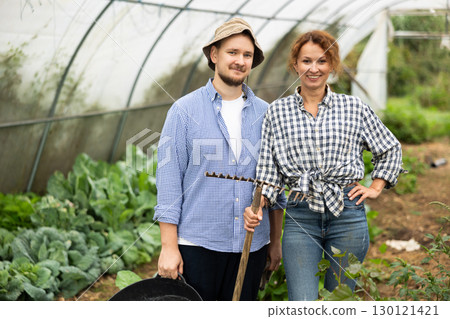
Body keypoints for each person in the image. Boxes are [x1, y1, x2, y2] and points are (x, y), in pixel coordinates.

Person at [244, 30, 405, 301]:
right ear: (295, 65)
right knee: (302, 302)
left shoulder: (353, 107)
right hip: (300, 213)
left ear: (332, 65)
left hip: (347, 214)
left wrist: (376, 186)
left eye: (322, 61)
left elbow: (390, 148)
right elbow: (269, 171)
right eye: (306, 61)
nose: (314, 68)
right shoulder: (277, 112)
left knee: (339, 299)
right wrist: (258, 204)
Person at [153, 18, 286, 301]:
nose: (240, 61)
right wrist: (168, 246)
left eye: (247, 55)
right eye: (232, 52)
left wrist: (275, 242)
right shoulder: (183, 111)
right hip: (198, 245)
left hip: (252, 246)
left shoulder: (267, 114)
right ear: (214, 55)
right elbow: (168, 181)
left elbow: (275, 183)